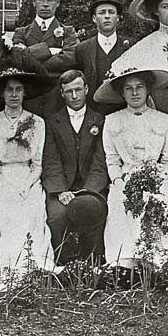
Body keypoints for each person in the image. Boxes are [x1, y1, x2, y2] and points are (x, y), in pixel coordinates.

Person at [0, 54, 57, 290]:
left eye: (18, 89)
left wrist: (26, 185)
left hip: (28, 178)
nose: (13, 95)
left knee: (33, 211)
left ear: (24, 92)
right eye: (9, 90)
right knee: (2, 213)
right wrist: (9, 187)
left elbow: (37, 164)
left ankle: (33, 270)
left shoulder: (37, 122)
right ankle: (4, 274)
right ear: (1, 93)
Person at [93, 57, 168, 269]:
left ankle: (157, 262)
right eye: (128, 88)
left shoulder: (164, 120)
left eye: (140, 87)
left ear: (148, 90)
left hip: (158, 178)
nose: (135, 93)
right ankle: (124, 264)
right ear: (122, 93)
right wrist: (118, 181)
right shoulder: (112, 120)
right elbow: (112, 158)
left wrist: (158, 179)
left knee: (159, 201)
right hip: (125, 177)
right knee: (120, 202)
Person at [42, 70, 109, 265]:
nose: (74, 96)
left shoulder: (100, 120)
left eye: (78, 90)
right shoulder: (52, 121)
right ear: (62, 93)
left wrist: (88, 191)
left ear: (86, 89)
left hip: (91, 186)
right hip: (62, 187)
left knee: (93, 209)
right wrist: (61, 190)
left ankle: (94, 264)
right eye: (69, 91)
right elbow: (51, 160)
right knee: (57, 217)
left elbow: (100, 161)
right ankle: (65, 265)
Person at [45, 0, 131, 115]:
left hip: (124, 112)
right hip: (93, 113)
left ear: (118, 17)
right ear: (94, 18)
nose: (107, 16)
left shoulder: (130, 46)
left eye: (111, 12)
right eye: (102, 12)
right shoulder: (82, 48)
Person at [12, 0, 78, 62]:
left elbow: (70, 58)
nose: (45, 4)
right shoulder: (21, 33)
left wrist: (29, 54)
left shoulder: (68, 32)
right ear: (34, 1)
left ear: (58, 2)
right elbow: (18, 58)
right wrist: (50, 51)